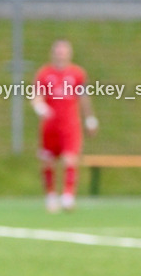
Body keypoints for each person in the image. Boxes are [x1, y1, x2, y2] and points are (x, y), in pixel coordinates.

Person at [31, 40, 98, 213]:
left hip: (70, 125)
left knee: (70, 159)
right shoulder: (44, 73)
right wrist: (40, 108)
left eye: (64, 51)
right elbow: (36, 95)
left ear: (69, 54)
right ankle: (51, 196)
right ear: (52, 53)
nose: (61, 54)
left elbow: (84, 99)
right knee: (47, 162)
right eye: (58, 51)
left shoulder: (77, 74)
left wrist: (90, 119)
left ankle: (68, 197)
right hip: (49, 126)